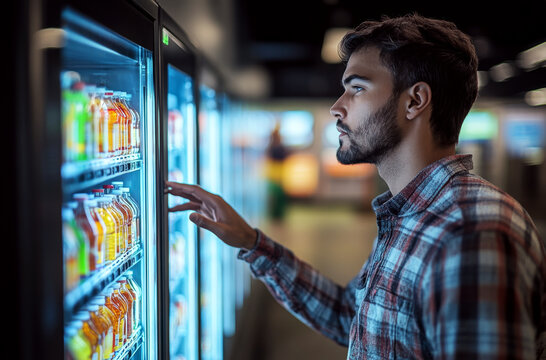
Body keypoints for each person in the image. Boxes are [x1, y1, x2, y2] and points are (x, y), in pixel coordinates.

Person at [165, 13, 546, 360]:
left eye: (357, 88)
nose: (337, 106)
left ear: (415, 100)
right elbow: (353, 317)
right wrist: (251, 241)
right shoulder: (410, 215)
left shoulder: (472, 233)